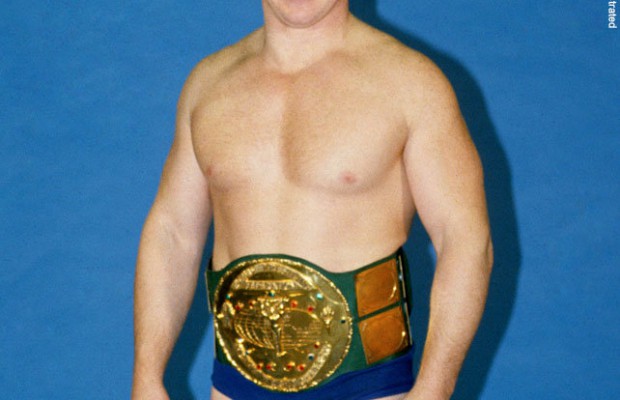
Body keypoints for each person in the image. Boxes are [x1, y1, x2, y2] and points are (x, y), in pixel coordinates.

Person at [131, 1, 493, 399]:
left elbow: (464, 239)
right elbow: (173, 231)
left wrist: (434, 390)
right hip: (235, 386)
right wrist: (147, 376)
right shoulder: (208, 83)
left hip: (369, 387)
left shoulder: (411, 83)